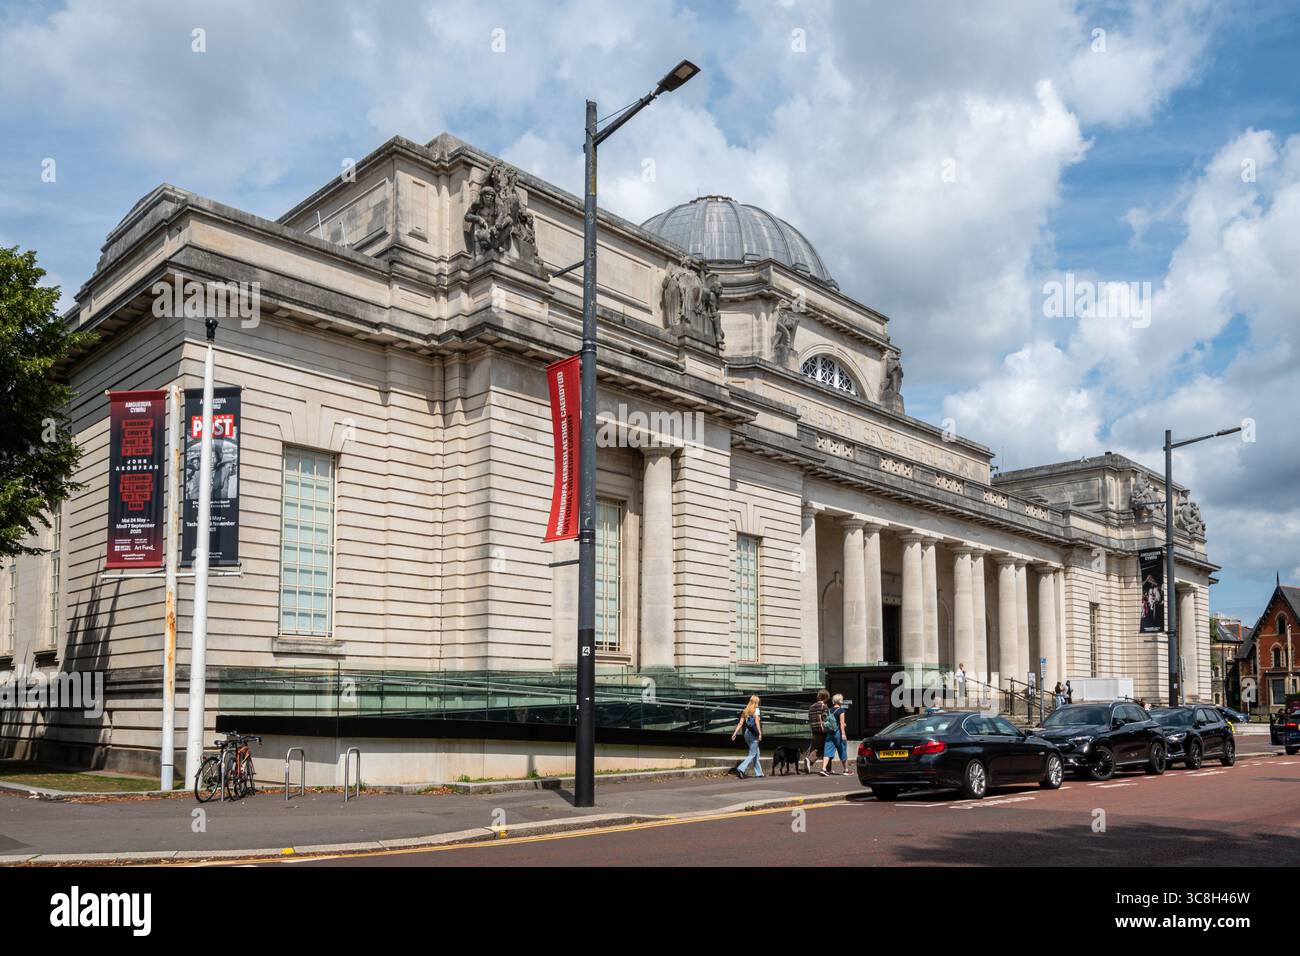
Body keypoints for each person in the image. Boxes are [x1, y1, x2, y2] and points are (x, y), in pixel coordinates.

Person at [731, 695, 763, 778]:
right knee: (752, 754)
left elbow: (740, 723)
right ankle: (741, 768)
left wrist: (735, 733)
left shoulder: (745, 710)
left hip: (746, 734)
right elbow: (756, 722)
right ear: (756, 702)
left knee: (757, 753)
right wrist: (760, 733)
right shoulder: (756, 710)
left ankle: (759, 773)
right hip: (753, 734)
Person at [820, 693, 851, 776]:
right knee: (842, 750)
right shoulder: (841, 710)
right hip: (838, 733)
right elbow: (841, 723)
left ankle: (823, 769)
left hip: (829, 733)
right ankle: (846, 770)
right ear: (840, 701)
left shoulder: (830, 710)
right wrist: (843, 734)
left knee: (827, 751)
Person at [806, 689, 830, 773]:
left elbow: (809, 718)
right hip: (822, 730)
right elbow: (826, 719)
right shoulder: (824, 706)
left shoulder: (812, 706)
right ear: (826, 697)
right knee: (824, 748)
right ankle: (810, 760)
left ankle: (827, 768)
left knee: (815, 747)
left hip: (814, 730)